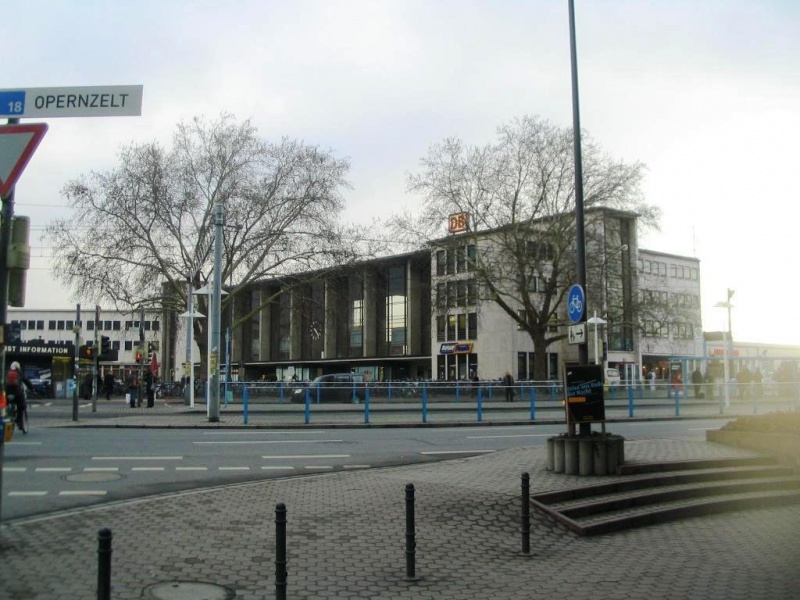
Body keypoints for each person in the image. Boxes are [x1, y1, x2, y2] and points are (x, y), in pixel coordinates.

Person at [6, 361, 34, 432]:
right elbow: (27, 382)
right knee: (22, 406)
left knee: (3, 406)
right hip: (17, 394)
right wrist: (32, 389)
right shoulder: (19, 373)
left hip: (7, 393)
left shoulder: (7, 373)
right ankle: (19, 422)